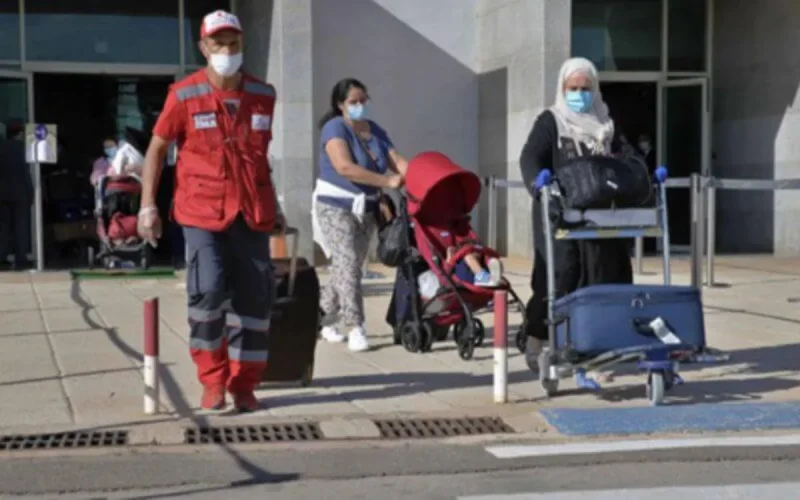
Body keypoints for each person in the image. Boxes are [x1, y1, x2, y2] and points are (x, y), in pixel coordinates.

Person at [137, 9, 284, 412]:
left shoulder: (263, 95)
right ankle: (213, 380)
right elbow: (157, 149)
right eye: (218, 44)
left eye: (233, 44)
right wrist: (147, 206)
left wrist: (275, 205)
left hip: (251, 212)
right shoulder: (184, 94)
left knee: (255, 300)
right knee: (210, 289)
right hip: (201, 211)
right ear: (204, 47)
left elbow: (259, 158)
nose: (227, 51)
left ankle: (245, 384)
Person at [519, 57, 633, 374]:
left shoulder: (605, 124)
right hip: (559, 212)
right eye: (573, 88)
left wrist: (639, 173)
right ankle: (536, 338)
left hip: (600, 215)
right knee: (558, 275)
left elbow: (627, 156)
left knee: (604, 274)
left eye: (586, 88)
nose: (580, 94)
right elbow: (530, 156)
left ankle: (597, 344)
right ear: (563, 88)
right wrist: (537, 182)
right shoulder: (552, 121)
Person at [313, 78, 407, 352]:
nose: (359, 106)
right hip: (335, 206)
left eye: (363, 100)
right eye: (353, 102)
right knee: (348, 263)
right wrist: (387, 181)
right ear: (340, 104)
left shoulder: (375, 130)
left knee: (349, 268)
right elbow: (345, 167)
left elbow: (397, 161)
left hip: (366, 208)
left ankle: (322, 318)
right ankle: (356, 326)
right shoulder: (334, 128)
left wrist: (420, 177)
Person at [0, 120, 33, 270]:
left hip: (3, 193)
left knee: (3, 227)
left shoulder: (1, 147)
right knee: (21, 226)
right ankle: (21, 257)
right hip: (20, 193)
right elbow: (26, 173)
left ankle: (2, 256)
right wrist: (31, 192)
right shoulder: (23, 148)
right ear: (19, 133)